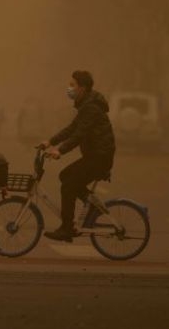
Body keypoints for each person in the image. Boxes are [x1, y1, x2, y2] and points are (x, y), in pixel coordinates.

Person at [40, 70, 116, 242]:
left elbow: (79, 134)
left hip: (100, 158)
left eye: (72, 85)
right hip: (95, 156)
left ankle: (67, 228)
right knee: (65, 176)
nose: (69, 88)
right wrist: (50, 142)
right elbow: (71, 129)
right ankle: (93, 205)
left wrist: (60, 150)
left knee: (68, 186)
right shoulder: (86, 105)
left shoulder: (90, 108)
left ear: (82, 88)